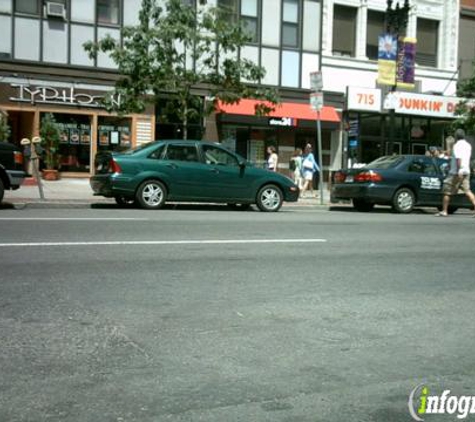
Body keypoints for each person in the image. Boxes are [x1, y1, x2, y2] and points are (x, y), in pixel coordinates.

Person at [435, 129, 475, 217]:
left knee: (447, 191)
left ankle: (444, 211)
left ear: (456, 136)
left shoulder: (457, 145)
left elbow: (458, 159)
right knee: (467, 191)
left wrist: (459, 170)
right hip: (466, 171)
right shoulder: (468, 145)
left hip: (456, 172)